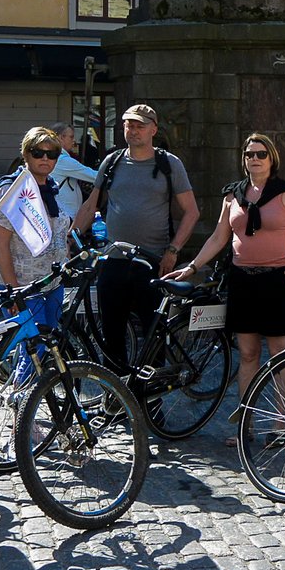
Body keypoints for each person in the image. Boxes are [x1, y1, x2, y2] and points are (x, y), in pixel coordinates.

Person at [163, 132, 285, 445]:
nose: (255, 159)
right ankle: (245, 423)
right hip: (242, 281)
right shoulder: (233, 195)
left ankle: (280, 423)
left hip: (277, 280)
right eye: (249, 154)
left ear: (271, 158)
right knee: (247, 354)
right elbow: (219, 238)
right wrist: (192, 266)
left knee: (279, 354)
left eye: (261, 154)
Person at [72, 103, 199, 371]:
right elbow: (90, 206)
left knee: (153, 336)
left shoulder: (168, 164)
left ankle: (151, 404)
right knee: (112, 335)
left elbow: (191, 212)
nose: (134, 130)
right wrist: (70, 239)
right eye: (129, 124)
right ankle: (116, 403)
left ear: (153, 129)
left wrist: (173, 250)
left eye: (140, 125)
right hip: (113, 258)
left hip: (152, 260)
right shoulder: (113, 161)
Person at [0, 127, 74, 385]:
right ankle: (21, 406)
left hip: (52, 283)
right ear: (26, 154)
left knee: (49, 348)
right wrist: (13, 289)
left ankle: (32, 399)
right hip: (24, 286)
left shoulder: (52, 189)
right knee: (33, 349)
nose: (45, 158)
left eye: (52, 154)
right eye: (38, 153)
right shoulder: (12, 190)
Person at [48, 121, 98, 221]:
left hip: (63, 214)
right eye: (71, 137)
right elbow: (95, 176)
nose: (74, 140)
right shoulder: (62, 160)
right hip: (66, 215)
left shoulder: (55, 157)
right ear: (61, 137)